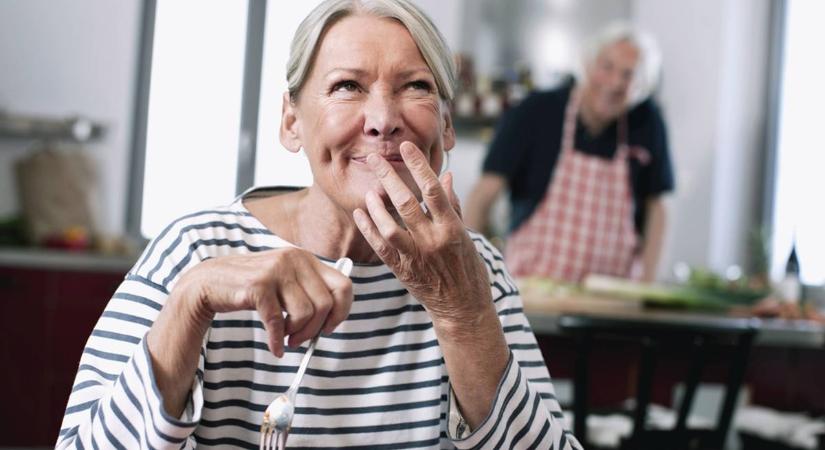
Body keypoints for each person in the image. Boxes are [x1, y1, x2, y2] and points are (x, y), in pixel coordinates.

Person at [56, 1, 581, 449]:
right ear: (291, 121)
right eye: (347, 86)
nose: (382, 118)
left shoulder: (474, 268)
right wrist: (190, 301)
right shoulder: (195, 250)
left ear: (444, 125)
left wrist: (463, 315)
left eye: (415, 86)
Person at [465, 23, 675, 283]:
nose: (614, 83)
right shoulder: (535, 110)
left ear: (641, 85)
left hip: (614, 297)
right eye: (607, 67)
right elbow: (483, 195)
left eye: (628, 75)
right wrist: (470, 276)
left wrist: (648, 283)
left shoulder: (647, 121)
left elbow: (658, 208)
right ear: (587, 64)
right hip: (531, 292)